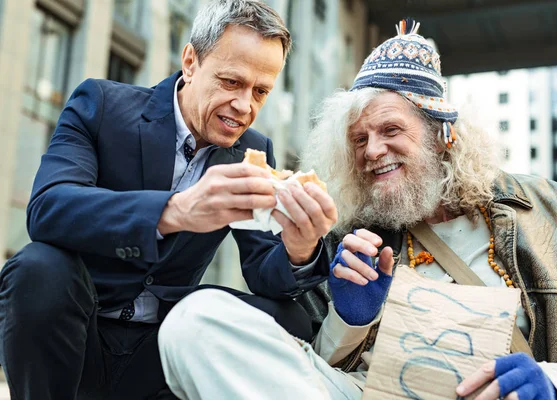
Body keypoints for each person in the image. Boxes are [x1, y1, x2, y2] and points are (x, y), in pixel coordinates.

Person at [157, 18, 557, 400]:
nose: (373, 151)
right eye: (359, 139)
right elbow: (311, 365)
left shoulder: (551, 208)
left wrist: (556, 382)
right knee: (193, 321)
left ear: (441, 134)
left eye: (390, 130)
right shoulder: (348, 232)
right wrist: (349, 318)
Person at [0, 1, 337, 399]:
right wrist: (174, 212)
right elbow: (49, 207)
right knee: (39, 268)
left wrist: (299, 250)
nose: (246, 107)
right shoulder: (101, 104)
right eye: (231, 82)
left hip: (161, 354)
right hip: (76, 336)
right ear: (191, 61)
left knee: (290, 319)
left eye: (260, 91)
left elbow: (264, 270)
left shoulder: (253, 149)